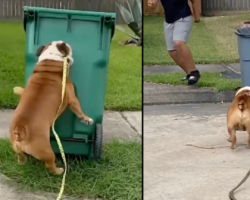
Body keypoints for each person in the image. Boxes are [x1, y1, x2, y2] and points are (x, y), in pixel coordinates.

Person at [158, 0, 201, 85]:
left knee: (178, 42)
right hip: (168, 20)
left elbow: (195, 1)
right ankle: (189, 73)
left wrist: (197, 17)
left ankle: (194, 72)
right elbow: (153, 4)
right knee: (172, 51)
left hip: (183, 17)